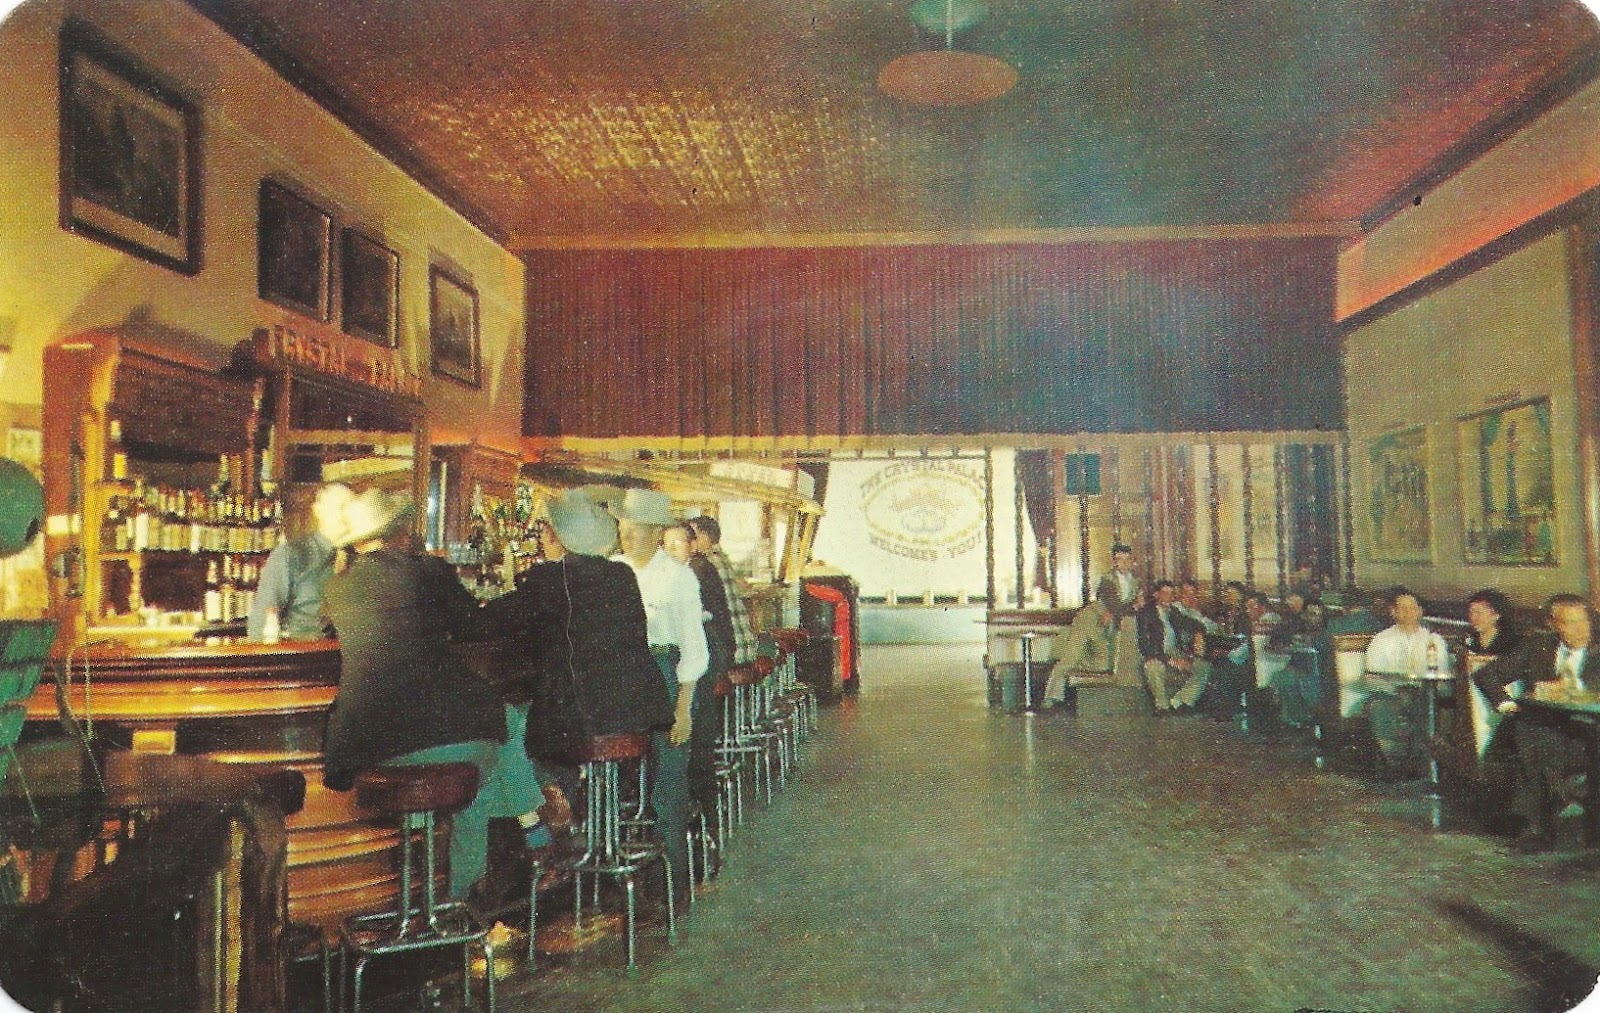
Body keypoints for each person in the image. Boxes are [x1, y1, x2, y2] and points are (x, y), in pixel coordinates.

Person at [319, 488, 509, 900]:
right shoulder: (428, 571)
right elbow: (474, 627)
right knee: (479, 784)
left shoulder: (336, 587)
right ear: (400, 531)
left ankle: (411, 902)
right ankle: (461, 906)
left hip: (377, 742)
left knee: (434, 788)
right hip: (458, 729)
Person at [480, 489, 673, 808]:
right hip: (635, 713)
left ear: (555, 537)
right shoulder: (622, 575)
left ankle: (553, 820)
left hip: (583, 719)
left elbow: (489, 622)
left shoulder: (548, 579)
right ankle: (591, 818)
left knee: (513, 727)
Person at [612, 488, 711, 894]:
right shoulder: (612, 570)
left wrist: (683, 708)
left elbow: (693, 646)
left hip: (665, 673)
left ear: (656, 532)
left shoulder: (678, 576)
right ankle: (621, 877)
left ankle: (672, 882)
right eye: (622, 525)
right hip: (620, 675)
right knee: (621, 781)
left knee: (668, 782)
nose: (625, 534)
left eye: (634, 527)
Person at [1474, 593, 1600, 851]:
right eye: (1569, 623)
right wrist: (1507, 705)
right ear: (1554, 624)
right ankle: (1544, 822)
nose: (1580, 630)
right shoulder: (1539, 646)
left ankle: (1539, 825)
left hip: (1588, 730)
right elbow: (1487, 674)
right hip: (1541, 731)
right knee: (1529, 731)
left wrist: (1573, 688)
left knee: (1531, 739)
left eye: (1583, 622)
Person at [1362, 588, 1451, 777]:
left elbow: (1440, 672)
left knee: (1430, 709)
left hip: (1425, 693)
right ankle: (1396, 765)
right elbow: (1373, 675)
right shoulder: (1381, 640)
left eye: (1413, 608)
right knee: (1378, 707)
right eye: (1402, 608)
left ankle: (1424, 765)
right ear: (1392, 612)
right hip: (1391, 693)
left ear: (1420, 611)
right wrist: (1396, 691)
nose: (1408, 613)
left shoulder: (1433, 640)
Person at [247, 483, 352, 641]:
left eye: (352, 508)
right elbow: (261, 626)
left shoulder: (362, 558)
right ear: (319, 510)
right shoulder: (291, 555)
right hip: (304, 657)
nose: (348, 514)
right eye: (342, 507)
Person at [1136, 580, 1207, 712]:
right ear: (1156, 594)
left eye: (1171, 594)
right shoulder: (1146, 613)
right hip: (1156, 654)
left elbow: (1193, 623)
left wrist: (1198, 634)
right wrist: (1170, 660)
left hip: (1176, 651)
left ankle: (1181, 701)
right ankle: (1162, 706)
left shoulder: (1173, 611)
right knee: (1152, 667)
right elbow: (1145, 646)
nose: (1169, 597)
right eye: (1165, 593)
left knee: (1203, 667)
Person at [1041, 598, 1114, 708]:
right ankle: (1052, 696)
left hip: (1104, 615)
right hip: (1099, 615)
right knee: (1071, 658)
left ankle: (1052, 696)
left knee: (1073, 658)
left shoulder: (1091, 614)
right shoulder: (1091, 615)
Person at [1095, 544, 1143, 685]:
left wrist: (1136, 606)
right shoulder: (1107, 580)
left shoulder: (1136, 580)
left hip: (1128, 619)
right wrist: (1133, 606)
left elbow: (1141, 602)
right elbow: (1114, 607)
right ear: (1114, 562)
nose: (1125, 564)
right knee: (1127, 623)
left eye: (1128, 560)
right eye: (1120, 560)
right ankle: (1123, 679)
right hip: (1109, 620)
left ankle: (1134, 678)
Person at [1466, 587, 1521, 657]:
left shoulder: (1510, 645)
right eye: (1471, 613)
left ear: (1496, 615)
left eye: (1478, 613)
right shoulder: (1468, 641)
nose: (1473, 618)